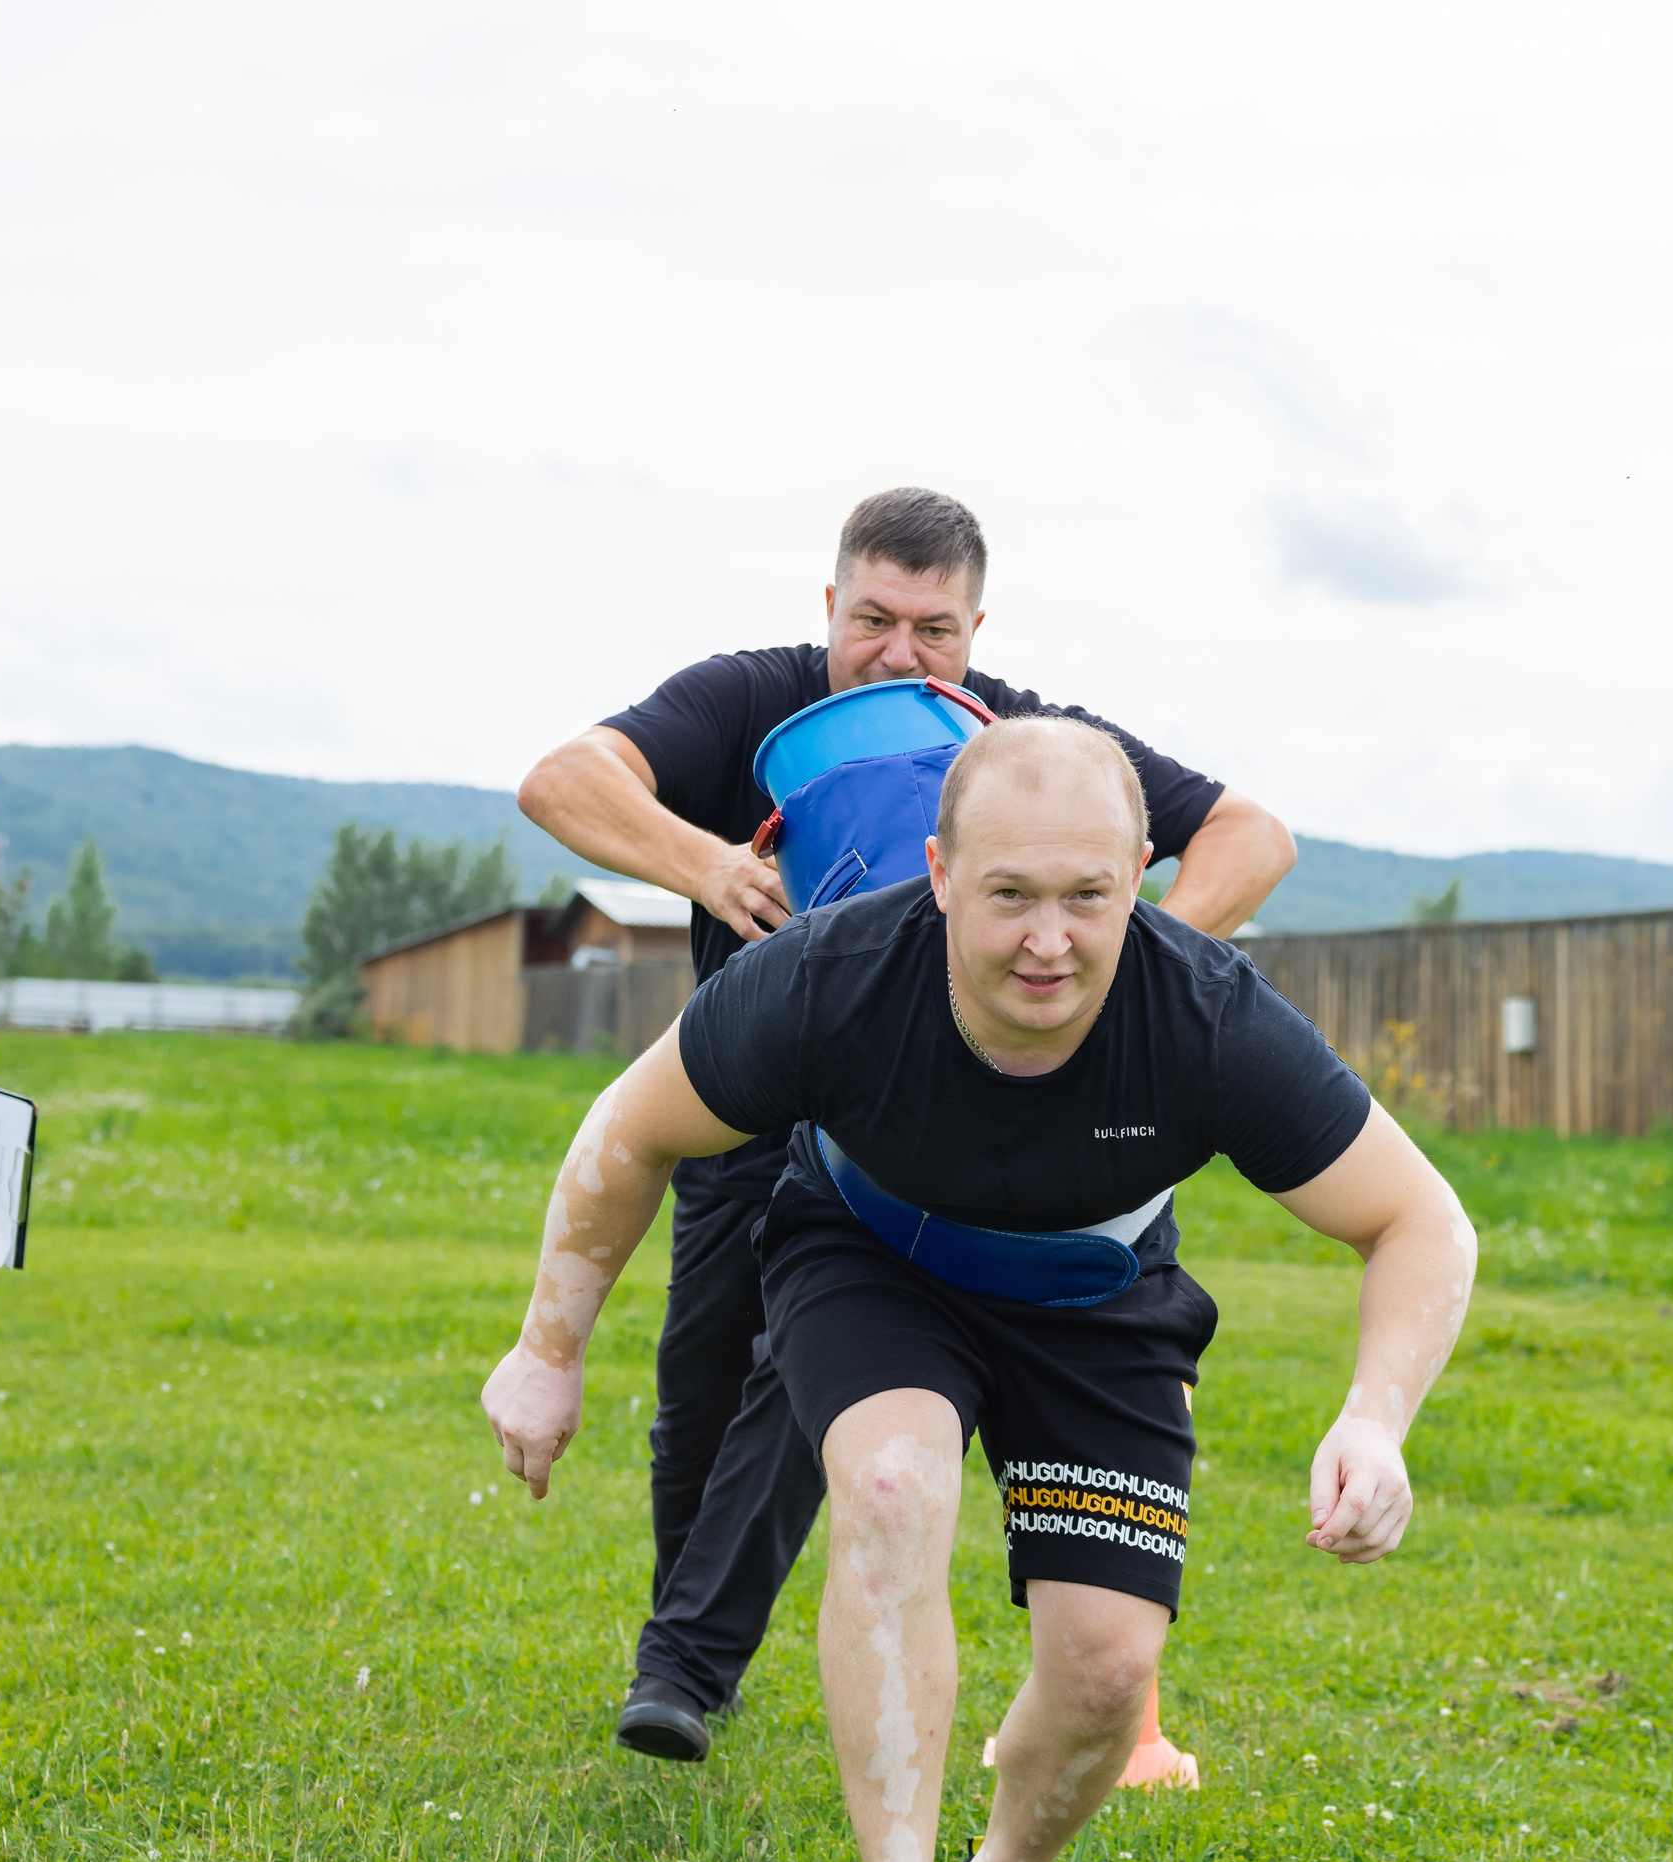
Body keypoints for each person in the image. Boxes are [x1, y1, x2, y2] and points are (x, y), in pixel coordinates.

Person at [483, 716, 1474, 1862]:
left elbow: (1418, 1220)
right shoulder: (827, 979)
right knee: (892, 1487)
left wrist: (1376, 1417)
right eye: (1009, 895)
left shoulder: (1204, 1015)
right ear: (942, 872)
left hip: (1097, 1296)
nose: (1048, 941)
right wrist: (547, 1353)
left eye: (1088, 897)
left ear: (1138, 876)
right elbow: (630, 1131)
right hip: (876, 1258)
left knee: (1108, 1665)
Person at [516, 487, 1297, 1761]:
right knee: (698, 1384)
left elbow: (1249, 835)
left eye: (934, 631)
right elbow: (563, 781)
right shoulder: (751, 698)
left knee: (798, 1359)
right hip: (742, 1093)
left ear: (976, 630)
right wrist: (706, 864)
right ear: (830, 605)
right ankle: (687, 1655)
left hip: (908, 1119)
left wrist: (1134, 965)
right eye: (872, 619)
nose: (898, 654)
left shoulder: (1022, 747)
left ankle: (683, 1665)